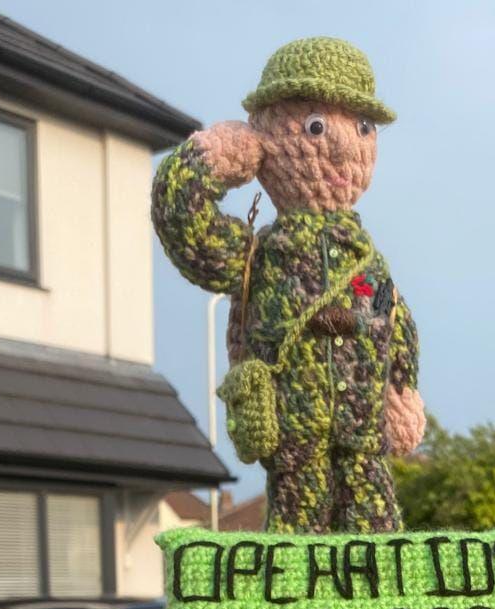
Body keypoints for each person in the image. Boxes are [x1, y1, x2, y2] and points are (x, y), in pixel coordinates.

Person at [153, 37, 426, 534]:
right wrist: (213, 157)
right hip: (293, 439)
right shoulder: (260, 254)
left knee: (378, 537)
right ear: (267, 136)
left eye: (362, 127)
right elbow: (184, 221)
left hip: (363, 436)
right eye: (316, 126)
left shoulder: (364, 260)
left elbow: (390, 318)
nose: (344, 146)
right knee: (299, 538)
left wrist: (399, 388)